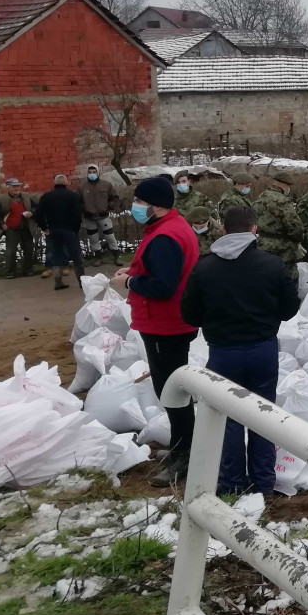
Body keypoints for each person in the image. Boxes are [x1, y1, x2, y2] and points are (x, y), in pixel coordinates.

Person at [180, 205, 300, 497]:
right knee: (263, 413)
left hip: (223, 352)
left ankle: (231, 483)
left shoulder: (204, 267)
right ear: (254, 229)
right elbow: (289, 309)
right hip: (262, 349)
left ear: (223, 230)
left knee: (227, 417)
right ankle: (263, 485)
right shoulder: (272, 264)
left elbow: (189, 314)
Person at [110, 177, 199, 487]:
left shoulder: (165, 236)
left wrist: (129, 283)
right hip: (168, 321)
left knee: (172, 392)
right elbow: (158, 270)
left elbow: (164, 285)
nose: (135, 206)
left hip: (165, 324)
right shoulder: (171, 228)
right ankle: (182, 445)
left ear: (156, 205)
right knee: (172, 390)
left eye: (139, 201)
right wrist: (132, 272)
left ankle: (185, 454)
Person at [34, 173, 85, 290]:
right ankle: (82, 282)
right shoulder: (73, 196)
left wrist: (44, 227)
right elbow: (78, 215)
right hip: (70, 230)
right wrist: (75, 229)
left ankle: (58, 282)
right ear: (66, 183)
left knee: (56, 256)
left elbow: (38, 215)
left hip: (53, 231)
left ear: (54, 183)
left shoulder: (46, 196)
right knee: (76, 257)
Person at [253, 173, 305, 273]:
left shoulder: (260, 199)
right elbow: (294, 227)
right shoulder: (283, 201)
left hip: (262, 244)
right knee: (287, 278)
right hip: (282, 248)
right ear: (283, 185)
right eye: (289, 186)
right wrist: (298, 239)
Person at [78, 163, 121, 266]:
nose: (92, 174)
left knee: (110, 237)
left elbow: (115, 198)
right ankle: (98, 258)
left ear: (98, 173)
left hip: (103, 216)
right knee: (93, 239)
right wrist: (84, 210)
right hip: (89, 218)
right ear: (87, 173)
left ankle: (116, 257)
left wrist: (108, 207)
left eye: (94, 172)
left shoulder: (106, 185)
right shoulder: (82, 187)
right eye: (90, 172)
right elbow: (78, 202)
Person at [0, 178, 36, 278]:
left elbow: (35, 207)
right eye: (14, 186)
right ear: (8, 187)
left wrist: (31, 212)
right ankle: (10, 272)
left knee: (29, 250)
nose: (16, 188)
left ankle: (28, 270)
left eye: (18, 186)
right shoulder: (2, 199)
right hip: (11, 229)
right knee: (11, 252)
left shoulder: (26, 196)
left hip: (26, 228)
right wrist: (3, 224)